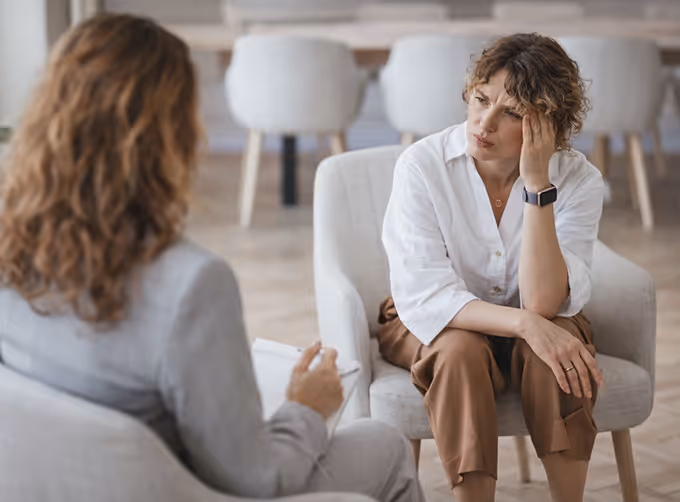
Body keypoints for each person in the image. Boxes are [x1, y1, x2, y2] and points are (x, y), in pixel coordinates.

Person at [0, 14, 423, 502]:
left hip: (57, 483)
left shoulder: (13, 240)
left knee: (377, 440)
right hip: (187, 488)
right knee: (385, 446)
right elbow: (256, 478)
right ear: (169, 135)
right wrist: (307, 407)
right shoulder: (190, 284)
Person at [378, 33, 605, 502]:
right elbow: (426, 294)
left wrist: (538, 185)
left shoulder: (578, 180)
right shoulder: (421, 166)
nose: (484, 122)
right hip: (432, 321)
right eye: (481, 100)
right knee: (461, 351)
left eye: (513, 114)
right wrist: (524, 323)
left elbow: (544, 303)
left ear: (549, 127)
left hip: (539, 316)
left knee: (556, 353)